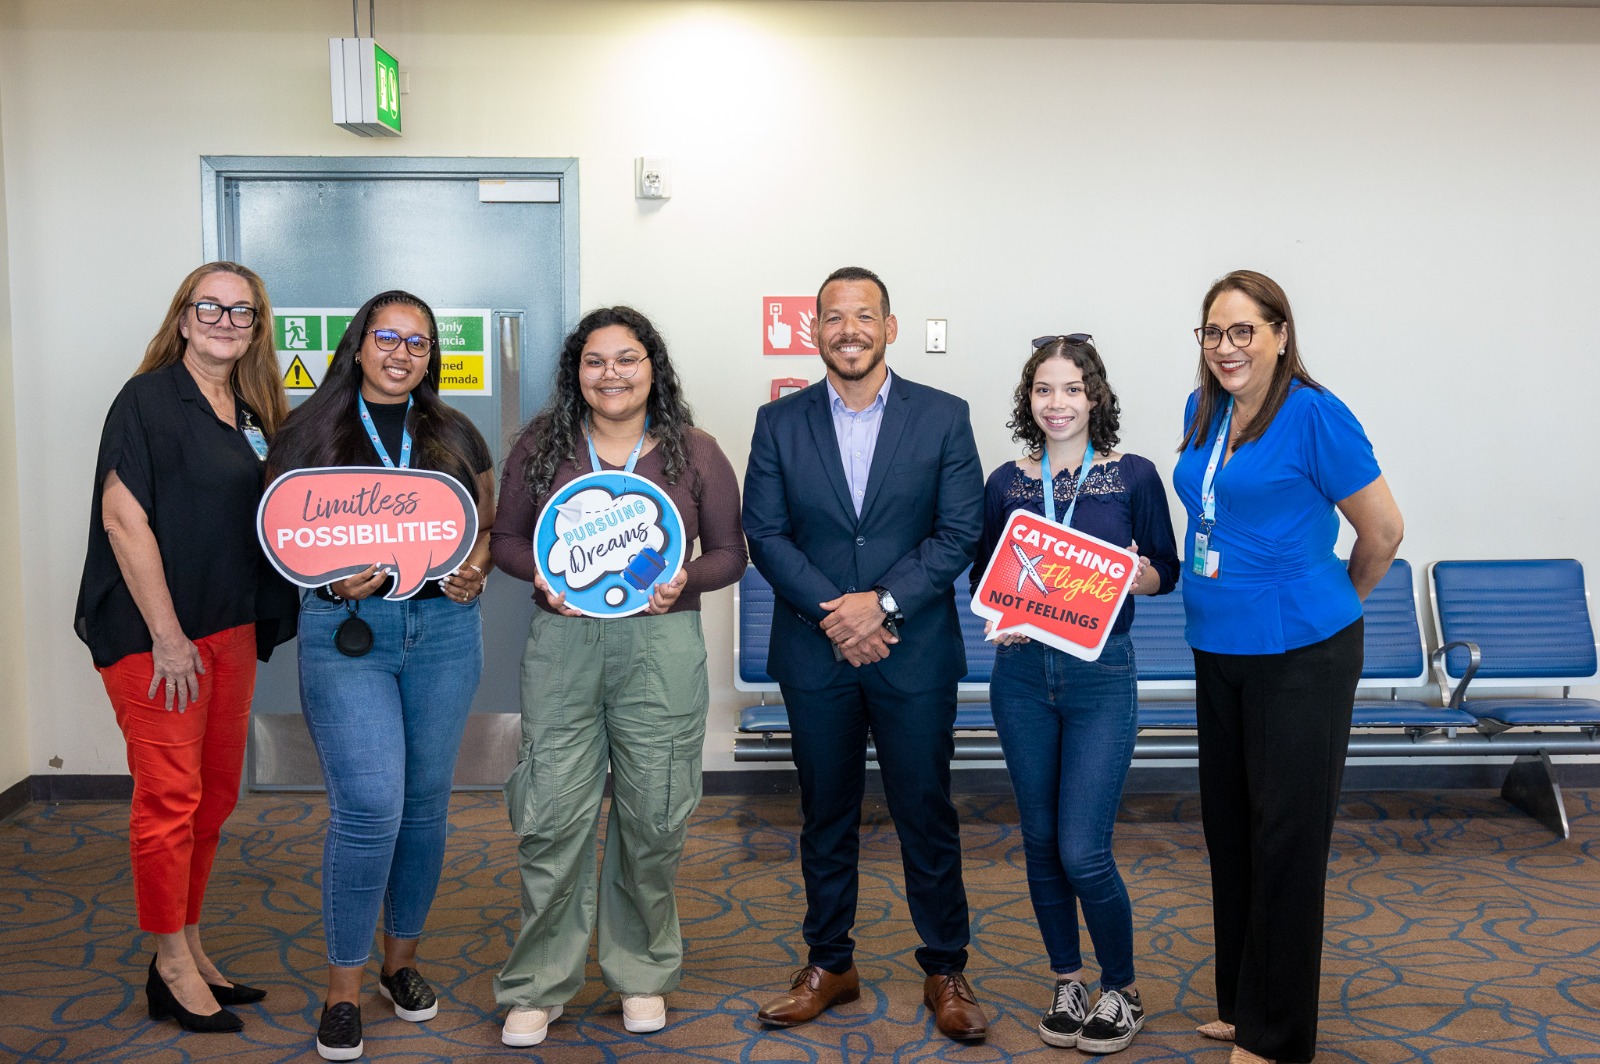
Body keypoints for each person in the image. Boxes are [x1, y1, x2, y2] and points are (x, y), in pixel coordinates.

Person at [743, 267, 988, 1042]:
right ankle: (830, 963)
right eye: (833, 317)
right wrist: (837, 614)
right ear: (815, 330)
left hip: (911, 650)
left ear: (890, 326)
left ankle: (946, 968)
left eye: (864, 316)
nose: (848, 330)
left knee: (926, 811)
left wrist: (877, 605)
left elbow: (958, 533)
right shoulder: (778, 422)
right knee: (825, 814)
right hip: (817, 654)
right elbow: (766, 535)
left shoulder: (944, 417)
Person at [491, 306, 746, 1047]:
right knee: (551, 816)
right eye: (595, 361)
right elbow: (505, 539)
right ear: (576, 373)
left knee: (655, 814)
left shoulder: (694, 452)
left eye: (627, 359)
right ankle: (538, 984)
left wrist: (685, 578)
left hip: (660, 647)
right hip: (565, 644)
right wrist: (539, 576)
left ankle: (640, 974)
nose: (612, 374)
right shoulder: (542, 447)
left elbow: (731, 551)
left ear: (653, 368)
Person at [1173, 271, 1403, 1064]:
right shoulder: (1203, 410)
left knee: (1286, 841)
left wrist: (1330, 602)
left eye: (1243, 331)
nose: (1227, 347)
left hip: (1301, 653)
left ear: (1279, 333)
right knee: (1232, 832)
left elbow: (1383, 531)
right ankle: (1243, 1005)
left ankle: (1277, 1037)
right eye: (1213, 332)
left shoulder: (1314, 414)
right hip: (1219, 646)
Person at [267, 290, 495, 1062]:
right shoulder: (306, 429)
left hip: (442, 632)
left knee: (426, 805)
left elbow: (483, 523)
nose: (403, 353)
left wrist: (478, 566)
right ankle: (342, 989)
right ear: (359, 343)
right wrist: (330, 578)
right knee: (370, 806)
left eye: (420, 343)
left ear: (434, 357)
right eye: (389, 337)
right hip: (345, 633)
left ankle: (401, 964)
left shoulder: (456, 431)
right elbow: (281, 535)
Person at [74, 261, 296, 1034]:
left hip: (229, 626)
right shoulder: (145, 401)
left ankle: (191, 941)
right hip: (156, 638)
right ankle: (167, 961)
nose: (226, 321)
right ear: (182, 315)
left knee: (213, 799)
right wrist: (168, 638)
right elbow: (122, 521)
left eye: (243, 312)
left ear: (257, 326)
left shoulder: (253, 405)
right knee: (169, 801)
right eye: (211, 307)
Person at [972, 335, 1180, 1054]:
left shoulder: (1133, 477)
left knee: (1081, 849)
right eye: (1043, 390)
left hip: (1100, 674)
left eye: (1071, 390)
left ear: (1096, 397)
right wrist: (1001, 615)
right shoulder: (1007, 481)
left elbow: (1166, 573)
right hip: (1023, 678)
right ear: (1028, 400)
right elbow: (986, 578)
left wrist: (1131, 573)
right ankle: (1067, 979)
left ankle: (1121, 988)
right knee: (1037, 842)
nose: (1057, 404)